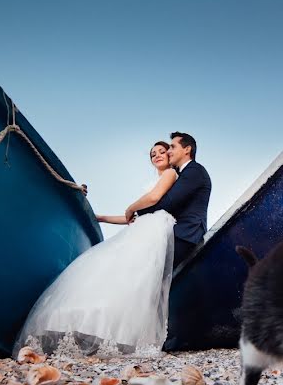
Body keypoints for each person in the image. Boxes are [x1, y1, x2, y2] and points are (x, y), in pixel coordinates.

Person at [13, 140, 181, 358]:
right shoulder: (156, 180)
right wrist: (100, 217)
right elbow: (133, 219)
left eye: (161, 152)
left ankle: (127, 337)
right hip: (142, 227)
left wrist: (130, 207)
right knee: (118, 278)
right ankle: (109, 334)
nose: (156, 155)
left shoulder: (169, 174)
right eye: (152, 154)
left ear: (169, 156)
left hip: (153, 231)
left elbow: (151, 199)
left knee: (133, 282)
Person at [128, 132, 211, 267]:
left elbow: (167, 203)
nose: (169, 151)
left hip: (186, 235)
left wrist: (134, 210)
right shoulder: (184, 172)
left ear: (187, 149)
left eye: (172, 147)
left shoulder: (194, 171)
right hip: (178, 234)